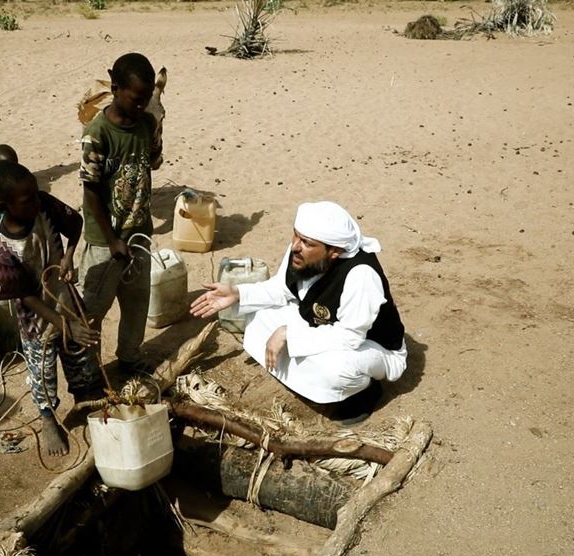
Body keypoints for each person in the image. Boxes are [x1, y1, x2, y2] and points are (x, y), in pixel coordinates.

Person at [190, 201, 407, 424]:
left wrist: (288, 333)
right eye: (296, 236)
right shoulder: (301, 252)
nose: (295, 246)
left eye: (306, 242)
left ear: (334, 252)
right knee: (257, 313)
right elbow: (281, 288)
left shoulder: (361, 276)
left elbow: (350, 337)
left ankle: (364, 394)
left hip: (370, 347)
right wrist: (237, 293)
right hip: (320, 324)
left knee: (337, 371)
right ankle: (306, 381)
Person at [0, 160, 103, 456]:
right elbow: (25, 296)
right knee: (42, 370)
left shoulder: (42, 206)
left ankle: (87, 398)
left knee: (81, 357)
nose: (36, 201)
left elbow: (75, 226)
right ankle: (49, 420)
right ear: (5, 205)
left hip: (67, 300)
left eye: (37, 194)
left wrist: (69, 256)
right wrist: (64, 325)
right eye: (28, 200)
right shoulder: (4, 249)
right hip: (36, 319)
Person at [78, 52, 163, 375]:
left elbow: (153, 160)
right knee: (94, 307)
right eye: (136, 98)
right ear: (114, 88)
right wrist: (112, 241)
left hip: (139, 234)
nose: (142, 105)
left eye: (146, 99)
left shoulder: (146, 124)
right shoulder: (97, 133)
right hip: (106, 240)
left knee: (137, 302)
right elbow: (91, 190)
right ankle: (90, 371)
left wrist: (154, 130)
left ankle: (129, 358)